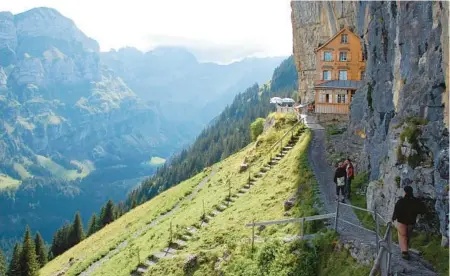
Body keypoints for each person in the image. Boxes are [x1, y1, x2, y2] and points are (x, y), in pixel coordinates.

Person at [391, 185, 427, 260]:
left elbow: (396, 211)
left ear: (405, 192)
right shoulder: (416, 201)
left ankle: (404, 252)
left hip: (402, 221)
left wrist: (393, 218)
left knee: (402, 235)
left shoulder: (401, 201)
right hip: (411, 222)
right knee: (407, 236)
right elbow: (423, 209)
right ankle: (406, 248)